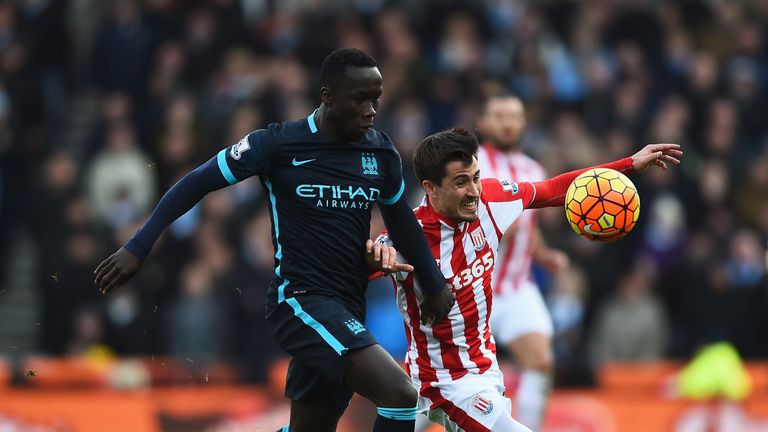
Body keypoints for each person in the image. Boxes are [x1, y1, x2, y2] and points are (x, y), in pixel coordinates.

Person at [94, 48, 456, 432]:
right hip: (298, 301)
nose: (371, 109)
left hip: (347, 305)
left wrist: (434, 285)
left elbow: (403, 225)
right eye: (360, 99)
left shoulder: (380, 152)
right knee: (400, 395)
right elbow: (195, 182)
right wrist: (138, 246)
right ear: (328, 96)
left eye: (376, 99)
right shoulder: (278, 145)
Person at [376, 127, 681, 432]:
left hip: (484, 370)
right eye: (460, 182)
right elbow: (348, 271)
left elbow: (553, 189)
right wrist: (369, 257)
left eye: (476, 177)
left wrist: (628, 165)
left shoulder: (491, 200)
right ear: (430, 188)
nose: (473, 191)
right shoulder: (406, 239)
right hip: (445, 383)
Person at [475, 94, 568, 430]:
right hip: (471, 290)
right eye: (499, 116)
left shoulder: (532, 169)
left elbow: (528, 226)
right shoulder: (471, 164)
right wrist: (495, 222)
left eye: (515, 116)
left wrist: (543, 255)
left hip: (516, 288)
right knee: (449, 383)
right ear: (483, 123)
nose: (508, 123)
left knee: (541, 362)